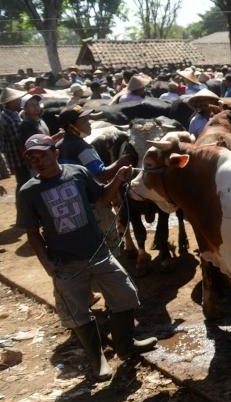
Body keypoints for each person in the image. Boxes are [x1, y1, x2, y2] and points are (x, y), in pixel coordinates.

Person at [16, 134, 157, 381]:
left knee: (124, 295)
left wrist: (117, 178)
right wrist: (47, 265)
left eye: (42, 155)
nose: (37, 161)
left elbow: (101, 197)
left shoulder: (77, 173)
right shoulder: (28, 192)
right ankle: (97, 359)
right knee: (78, 313)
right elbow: (32, 233)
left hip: (98, 253)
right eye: (32, 157)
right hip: (65, 262)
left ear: (55, 153)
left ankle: (125, 345)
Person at [56, 105, 131, 182]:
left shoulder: (58, 145)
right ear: (71, 127)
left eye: (87, 119)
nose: (89, 123)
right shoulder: (83, 148)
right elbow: (99, 177)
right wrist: (122, 162)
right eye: (84, 120)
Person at [0, 87, 28, 192]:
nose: (20, 101)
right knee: (24, 183)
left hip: (16, 157)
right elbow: (18, 140)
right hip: (18, 157)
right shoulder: (9, 118)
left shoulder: (12, 114)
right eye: (17, 100)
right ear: (11, 102)